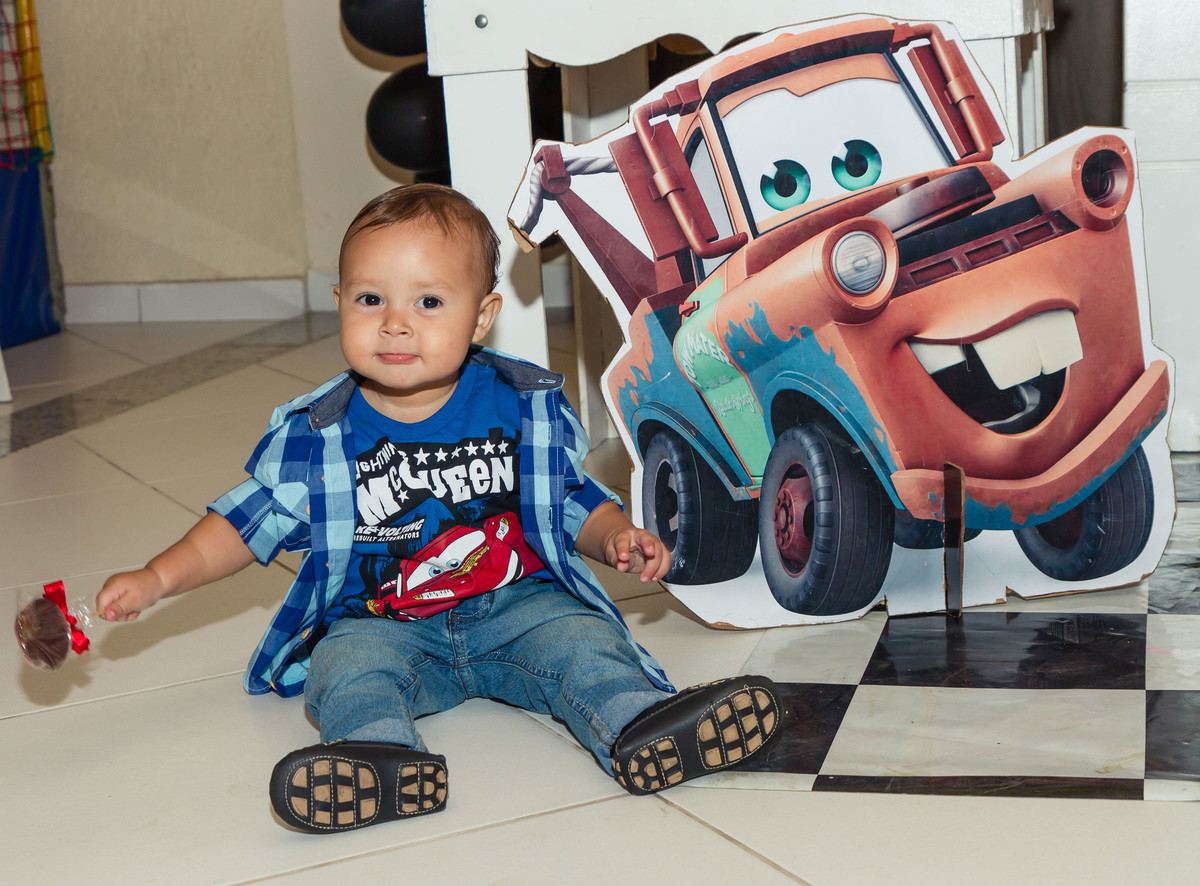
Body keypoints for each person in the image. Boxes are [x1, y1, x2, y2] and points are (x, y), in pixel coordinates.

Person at [96, 183, 781, 833]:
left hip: (519, 606)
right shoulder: (320, 434)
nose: (395, 324)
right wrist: (156, 578)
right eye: (370, 299)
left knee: (586, 644)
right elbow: (244, 524)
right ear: (339, 302)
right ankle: (380, 759)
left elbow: (569, 497)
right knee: (342, 671)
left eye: (428, 302)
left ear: (481, 315)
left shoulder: (519, 406)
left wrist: (614, 536)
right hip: (384, 623)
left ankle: (641, 725)